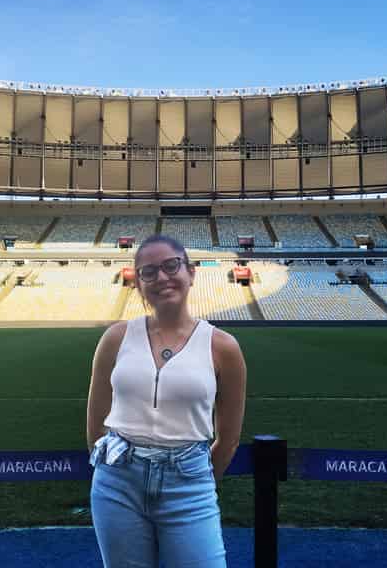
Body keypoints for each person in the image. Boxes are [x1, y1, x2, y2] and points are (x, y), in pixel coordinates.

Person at [86, 234, 248, 567]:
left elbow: (228, 439)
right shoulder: (115, 338)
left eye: (171, 265)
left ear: (191, 272)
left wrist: (191, 475)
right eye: (148, 272)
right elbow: (95, 425)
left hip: (189, 486)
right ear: (139, 284)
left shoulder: (223, 347)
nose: (161, 277)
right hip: (117, 483)